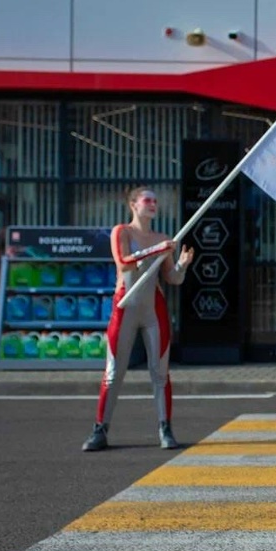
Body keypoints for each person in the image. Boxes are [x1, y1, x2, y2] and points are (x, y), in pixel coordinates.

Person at [81, 187, 194, 452]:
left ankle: (165, 428)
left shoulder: (163, 238)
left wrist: (183, 265)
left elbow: (172, 278)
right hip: (125, 307)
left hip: (154, 310)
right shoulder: (122, 232)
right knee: (113, 372)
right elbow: (123, 263)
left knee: (160, 373)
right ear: (133, 204)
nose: (153, 204)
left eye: (155, 200)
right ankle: (100, 430)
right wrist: (157, 250)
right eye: (147, 200)